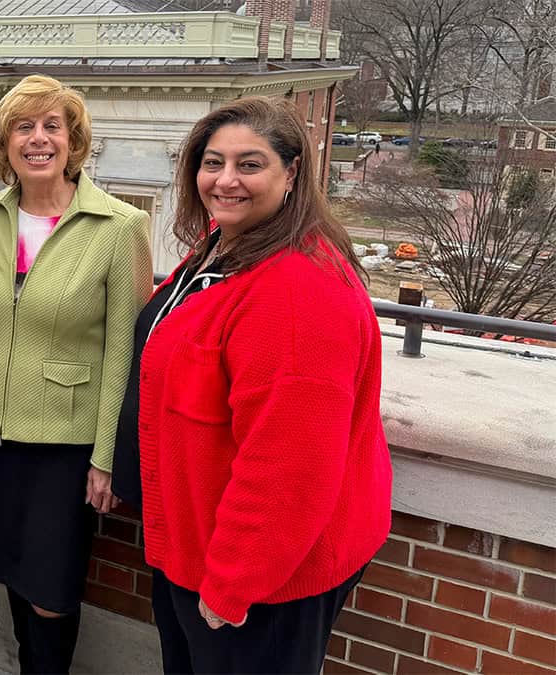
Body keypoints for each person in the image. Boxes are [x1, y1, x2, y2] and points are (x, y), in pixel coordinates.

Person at [133, 96, 392, 673]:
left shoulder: (297, 292)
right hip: (201, 551)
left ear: (292, 172)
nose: (225, 180)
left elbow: (289, 464)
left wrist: (231, 584)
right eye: (212, 162)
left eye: (249, 165)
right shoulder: (230, 245)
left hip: (261, 582)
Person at [0, 74, 153, 674]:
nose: (39, 139)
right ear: (4, 142)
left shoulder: (119, 227)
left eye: (54, 127)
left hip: (67, 446)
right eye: (25, 127)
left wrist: (106, 457)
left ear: (74, 142)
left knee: (51, 591)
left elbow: (125, 351)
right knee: (14, 579)